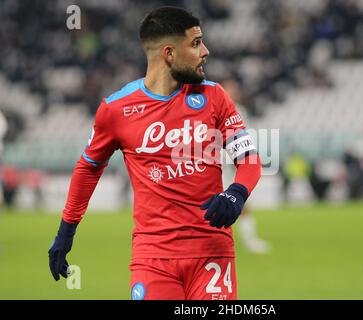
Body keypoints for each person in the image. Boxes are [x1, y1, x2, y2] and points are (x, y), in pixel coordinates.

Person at [48, 7, 262, 300]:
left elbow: (248, 158)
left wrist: (237, 192)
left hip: (212, 252)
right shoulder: (116, 109)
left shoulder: (215, 96)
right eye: (196, 43)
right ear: (169, 53)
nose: (206, 51)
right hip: (153, 259)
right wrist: (66, 231)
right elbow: (88, 168)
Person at [220, 78, 270, 254]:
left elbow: (244, 138)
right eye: (230, 89)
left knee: (241, 203)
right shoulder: (213, 108)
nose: (234, 92)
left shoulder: (239, 110)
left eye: (235, 89)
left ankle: (250, 240)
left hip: (233, 164)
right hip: (217, 164)